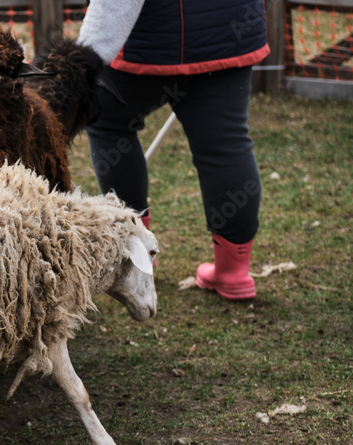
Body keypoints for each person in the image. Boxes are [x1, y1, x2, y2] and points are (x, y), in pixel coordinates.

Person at [76, 0, 269, 300]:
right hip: (227, 34)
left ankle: (137, 257)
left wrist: (87, 57)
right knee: (225, 145)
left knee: (110, 126)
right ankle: (234, 272)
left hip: (147, 38)